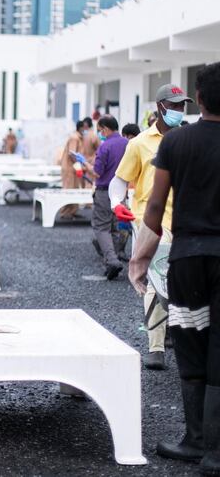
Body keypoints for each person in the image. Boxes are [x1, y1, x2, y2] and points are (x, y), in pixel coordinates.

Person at [133, 63, 220, 471]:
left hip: (188, 257)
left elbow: (154, 208)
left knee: (190, 341)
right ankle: (216, 454)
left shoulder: (177, 143)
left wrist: (143, 256)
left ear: (198, 99)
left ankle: (195, 440)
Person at [110, 83, 191, 370]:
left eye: (183, 105)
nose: (180, 110)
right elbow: (119, 180)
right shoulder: (139, 143)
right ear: (160, 107)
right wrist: (116, 203)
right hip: (151, 223)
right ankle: (156, 348)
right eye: (175, 105)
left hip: (186, 222)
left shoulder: (188, 140)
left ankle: (172, 333)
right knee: (156, 284)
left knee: (181, 283)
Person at [83, 115, 127, 280]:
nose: (99, 133)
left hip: (104, 191)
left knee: (101, 227)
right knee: (115, 227)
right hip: (121, 191)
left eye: (100, 130)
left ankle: (112, 260)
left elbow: (97, 171)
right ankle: (112, 260)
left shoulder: (105, 146)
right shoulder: (127, 144)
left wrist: (85, 164)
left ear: (106, 129)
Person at [59, 120, 85, 219]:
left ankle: (72, 211)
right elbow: (72, 153)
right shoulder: (74, 138)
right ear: (81, 128)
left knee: (74, 189)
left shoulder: (78, 137)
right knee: (69, 190)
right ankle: (65, 212)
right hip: (69, 168)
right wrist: (78, 165)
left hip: (72, 167)